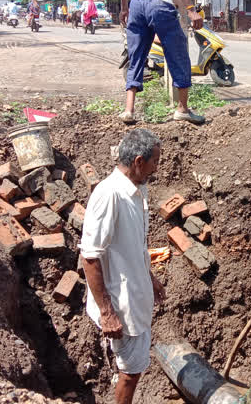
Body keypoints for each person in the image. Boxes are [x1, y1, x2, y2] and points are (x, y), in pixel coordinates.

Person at [79, 129, 166, 404]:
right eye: (155, 161)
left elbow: (135, 245)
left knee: (132, 370)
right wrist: (107, 312)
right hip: (121, 305)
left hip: (136, 296)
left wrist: (149, 276)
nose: (157, 167)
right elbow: (90, 256)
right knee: (130, 374)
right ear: (139, 161)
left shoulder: (137, 191)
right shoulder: (110, 195)